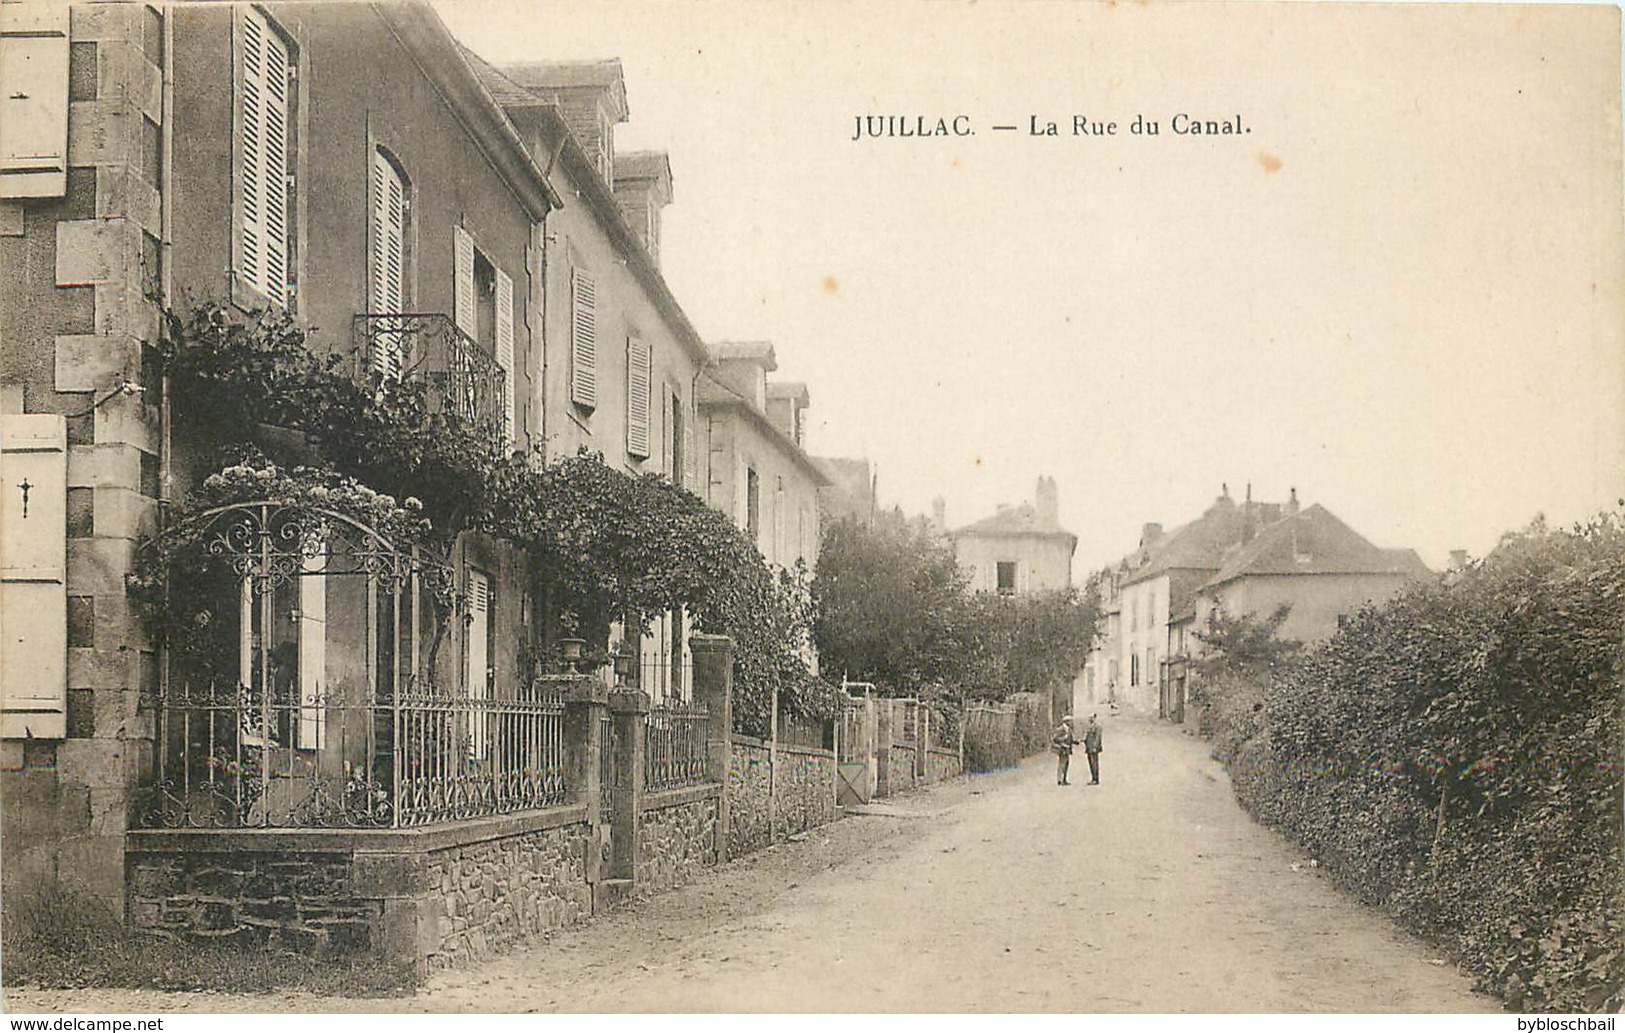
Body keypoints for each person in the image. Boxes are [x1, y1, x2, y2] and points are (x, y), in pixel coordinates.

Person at [1051, 716, 1080, 785]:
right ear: (1066, 722)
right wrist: (1063, 739)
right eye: (1070, 721)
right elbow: (1055, 738)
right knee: (1061, 764)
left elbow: (1071, 739)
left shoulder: (1069, 729)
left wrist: (1076, 742)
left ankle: (1064, 779)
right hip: (1062, 749)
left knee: (1066, 764)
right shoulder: (1060, 729)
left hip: (1067, 749)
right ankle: (1060, 780)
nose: (1071, 723)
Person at [1082, 713, 1104, 784]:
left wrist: (1095, 747)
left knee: (1094, 764)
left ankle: (1095, 779)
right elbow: (1086, 737)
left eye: (1091, 718)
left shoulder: (1098, 727)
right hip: (1088, 748)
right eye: (1089, 718)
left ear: (1094, 718)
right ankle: (1093, 778)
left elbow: (1098, 738)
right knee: (1091, 763)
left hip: (1094, 748)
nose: (1089, 719)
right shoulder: (1088, 727)